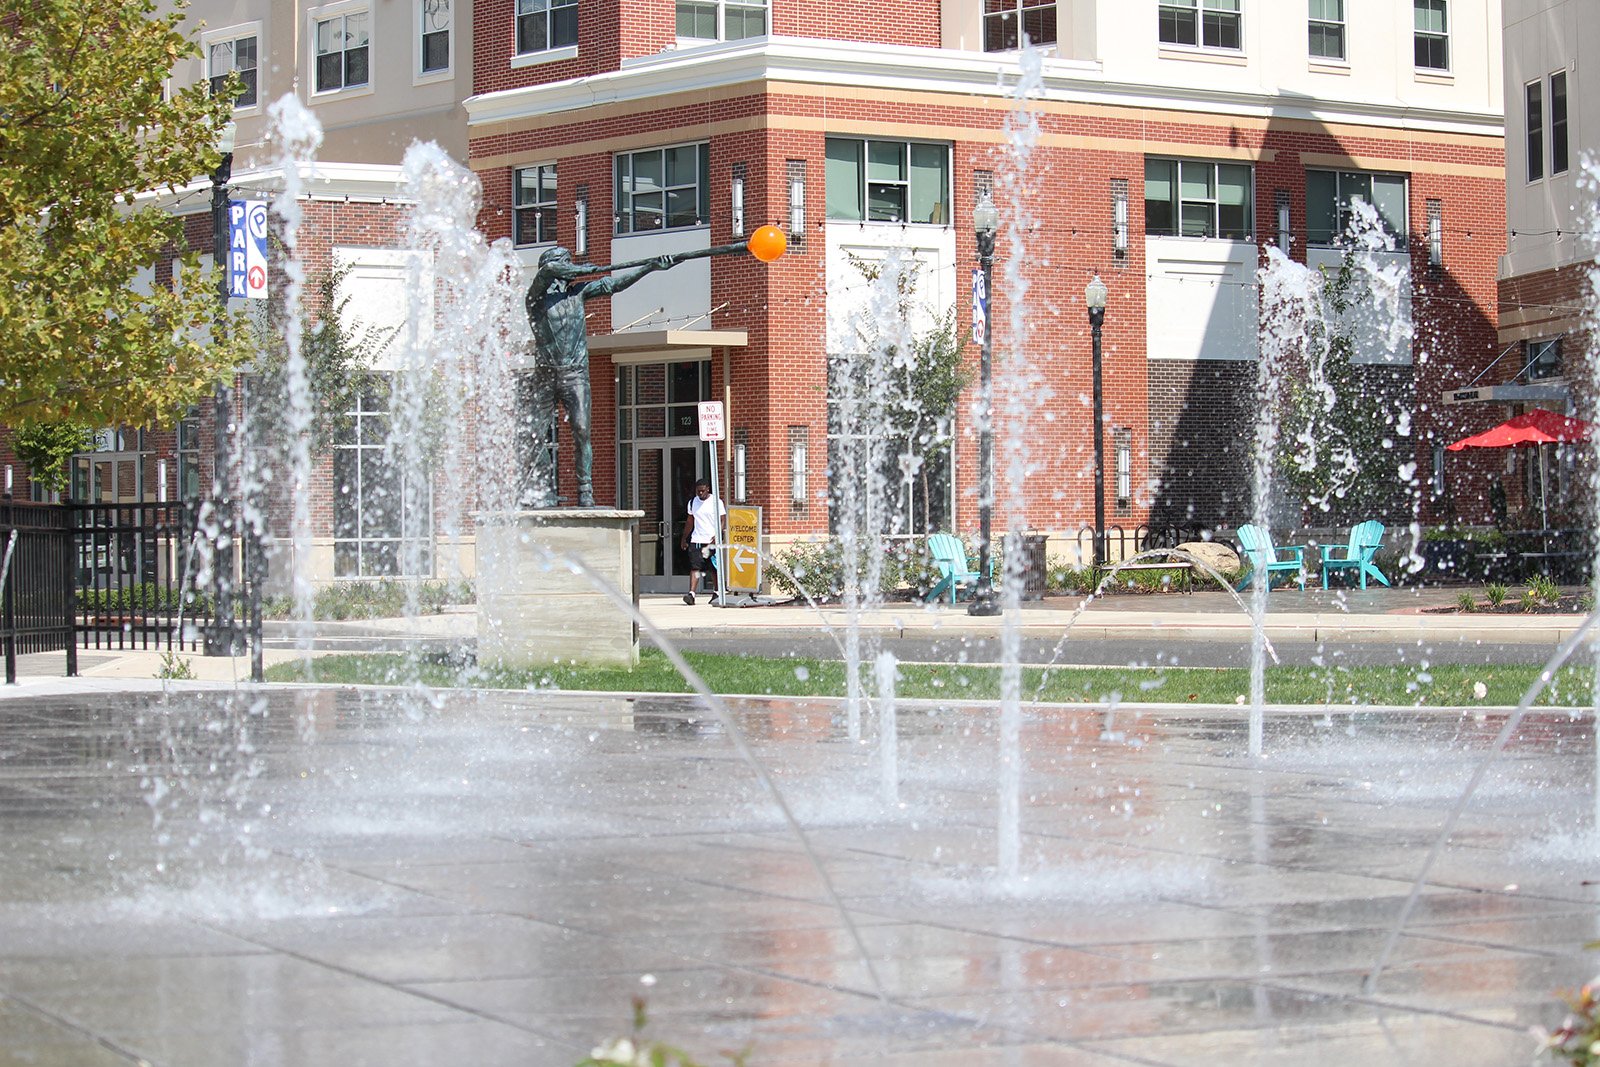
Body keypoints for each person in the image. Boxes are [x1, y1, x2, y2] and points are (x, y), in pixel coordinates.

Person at [522, 246, 676, 507]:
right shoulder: (535, 299)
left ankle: (585, 490)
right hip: (545, 377)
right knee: (534, 435)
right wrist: (583, 269)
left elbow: (613, 284)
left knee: (581, 430)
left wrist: (649, 267)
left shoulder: (578, 294)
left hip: (575, 375)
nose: (569, 267)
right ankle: (542, 490)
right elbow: (548, 271)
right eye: (566, 263)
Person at [680, 478, 724, 605]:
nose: (700, 494)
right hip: (696, 539)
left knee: (713, 568)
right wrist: (684, 538)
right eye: (698, 491)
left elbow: (722, 520)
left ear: (708, 489)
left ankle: (717, 592)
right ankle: (691, 594)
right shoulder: (693, 502)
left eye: (702, 491)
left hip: (711, 540)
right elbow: (690, 521)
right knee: (695, 567)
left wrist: (718, 535)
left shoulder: (716, 502)